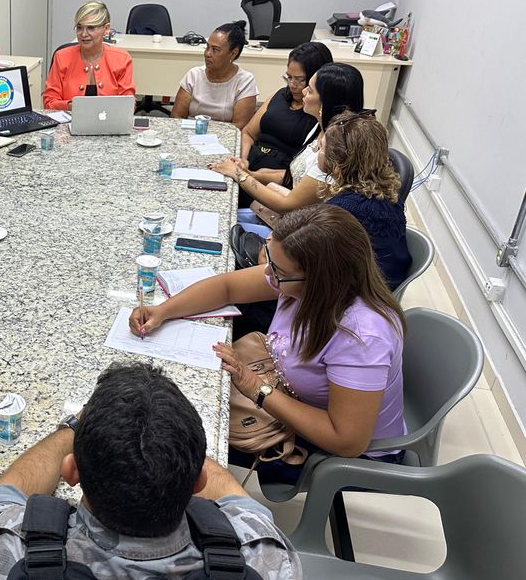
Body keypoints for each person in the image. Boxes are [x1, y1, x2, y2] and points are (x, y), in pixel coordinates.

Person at [0, 361, 301, 580]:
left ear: (71, 471)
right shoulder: (264, 560)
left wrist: (75, 429)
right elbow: (237, 500)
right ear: (199, 481)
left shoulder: (9, 550)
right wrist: (172, 442)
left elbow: (0, 496)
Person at [130, 204, 406, 484]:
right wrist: (162, 311)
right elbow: (227, 287)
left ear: (319, 279)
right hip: (295, 399)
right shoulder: (301, 281)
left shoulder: (362, 337)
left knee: (173, 443)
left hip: (344, 455)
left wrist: (256, 388)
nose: (269, 275)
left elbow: (347, 441)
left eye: (277, 271)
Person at [211, 62, 365, 218]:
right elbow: (297, 176)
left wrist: (239, 175)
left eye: (310, 90)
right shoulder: (320, 130)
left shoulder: (334, 150)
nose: (303, 91)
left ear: (325, 102)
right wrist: (250, 173)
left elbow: (287, 205)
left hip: (299, 225)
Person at [319, 111, 412, 290]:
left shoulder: (341, 211)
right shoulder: (390, 196)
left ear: (337, 166)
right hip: (380, 289)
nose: (318, 151)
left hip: (355, 296)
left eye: (322, 148)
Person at [234, 42, 333, 208]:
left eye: (300, 80)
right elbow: (248, 133)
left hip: (275, 183)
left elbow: (300, 174)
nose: (292, 85)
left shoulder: (319, 116)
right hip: (251, 166)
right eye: (288, 77)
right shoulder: (280, 95)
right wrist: (243, 160)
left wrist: (251, 175)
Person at [42, 0, 136, 111]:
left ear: (106, 29)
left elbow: (128, 104)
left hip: (110, 121)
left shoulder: (122, 59)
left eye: (91, 28)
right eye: (79, 27)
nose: (83, 34)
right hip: (70, 119)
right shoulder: (62, 57)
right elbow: (49, 102)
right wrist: (72, 106)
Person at [170, 20, 257, 129]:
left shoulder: (245, 81)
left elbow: (240, 126)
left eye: (215, 50)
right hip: (191, 133)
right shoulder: (194, 75)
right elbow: (176, 117)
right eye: (207, 47)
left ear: (233, 53)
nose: (207, 54)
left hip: (226, 136)